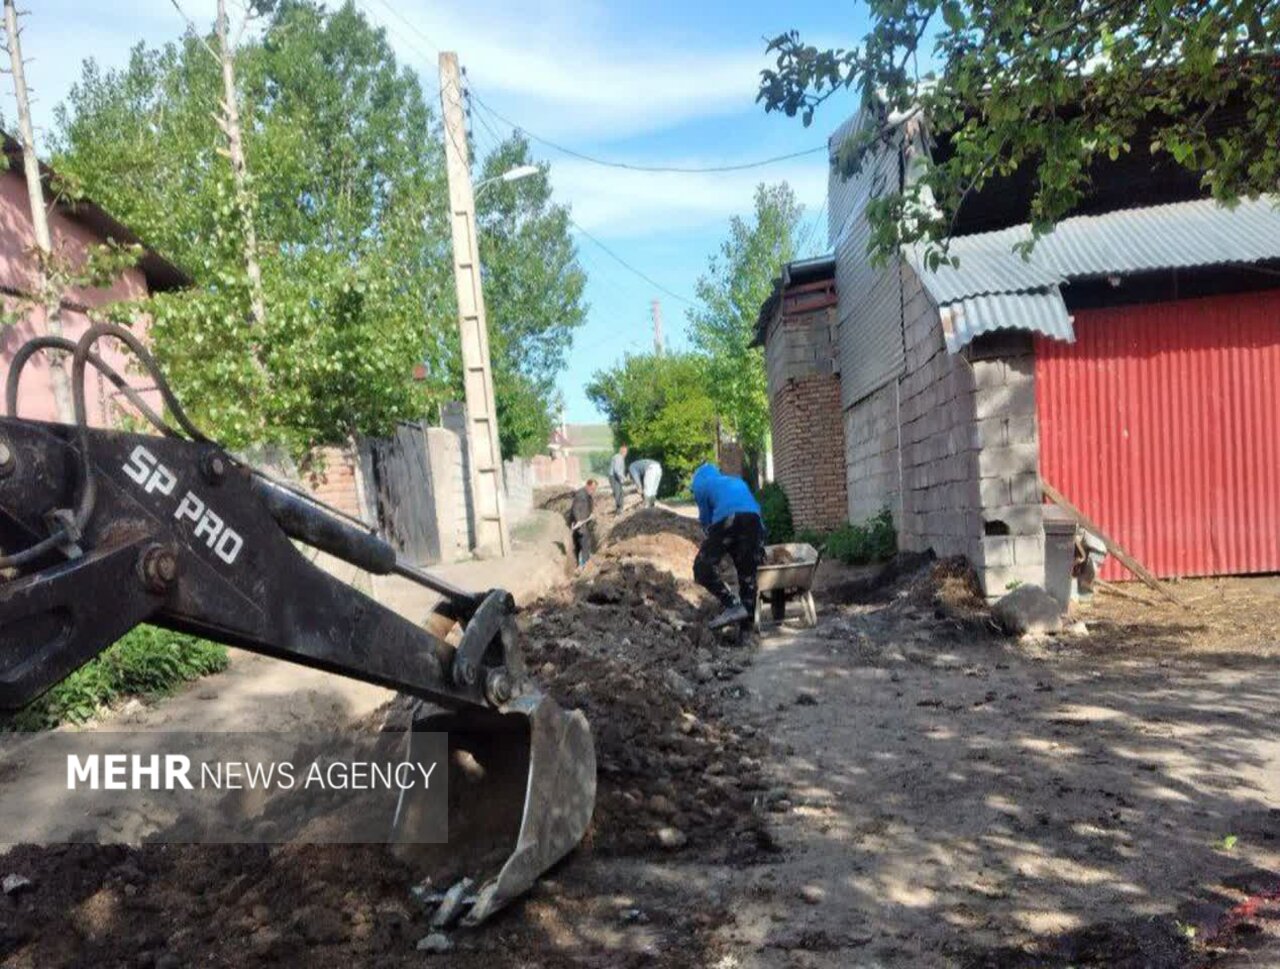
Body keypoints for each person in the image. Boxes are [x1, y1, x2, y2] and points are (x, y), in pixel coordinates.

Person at [690, 463, 764, 629]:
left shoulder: (700, 485)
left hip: (727, 519)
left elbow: (706, 522)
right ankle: (747, 631)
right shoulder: (736, 481)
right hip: (754, 521)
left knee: (701, 568)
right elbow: (753, 508)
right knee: (748, 577)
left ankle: (732, 604)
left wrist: (714, 545)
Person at [568, 478, 598, 567]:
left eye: (594, 489)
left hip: (583, 523)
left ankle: (580, 564)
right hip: (580, 525)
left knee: (580, 545)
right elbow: (575, 508)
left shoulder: (586, 493)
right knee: (585, 544)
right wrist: (579, 521)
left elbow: (588, 506)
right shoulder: (581, 495)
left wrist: (591, 514)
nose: (593, 491)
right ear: (587, 485)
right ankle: (585, 565)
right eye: (592, 489)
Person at [608, 444, 628, 514]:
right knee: (618, 493)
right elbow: (617, 470)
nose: (626, 453)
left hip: (616, 477)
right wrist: (623, 478)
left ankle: (620, 509)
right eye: (626, 451)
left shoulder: (619, 457)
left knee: (620, 493)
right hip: (614, 477)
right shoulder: (619, 457)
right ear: (623, 451)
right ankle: (619, 510)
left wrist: (622, 479)